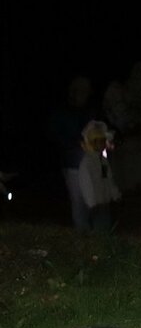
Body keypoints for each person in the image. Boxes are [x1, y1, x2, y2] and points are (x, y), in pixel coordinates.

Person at [47, 76, 97, 231]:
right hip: (72, 163)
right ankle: (81, 232)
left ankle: (89, 230)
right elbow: (54, 135)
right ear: (73, 92)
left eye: (87, 90)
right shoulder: (61, 112)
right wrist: (76, 143)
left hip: (90, 161)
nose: (85, 93)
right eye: (81, 90)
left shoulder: (89, 111)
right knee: (78, 199)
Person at [77, 120, 120, 234]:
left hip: (105, 202)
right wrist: (92, 204)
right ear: (91, 143)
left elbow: (109, 179)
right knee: (98, 230)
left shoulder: (103, 161)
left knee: (107, 228)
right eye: (97, 141)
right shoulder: (86, 163)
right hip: (95, 205)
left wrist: (115, 195)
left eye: (102, 141)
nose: (101, 144)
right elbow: (86, 185)